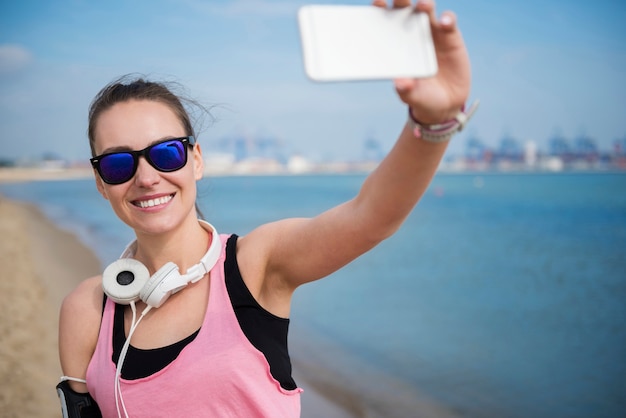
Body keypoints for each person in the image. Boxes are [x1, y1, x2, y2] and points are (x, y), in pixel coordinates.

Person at [57, 0, 476, 417]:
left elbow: (371, 217)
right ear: (100, 182)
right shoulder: (87, 309)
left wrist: (431, 121)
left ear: (196, 160)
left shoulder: (256, 266)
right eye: (117, 163)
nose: (146, 177)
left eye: (166, 154)